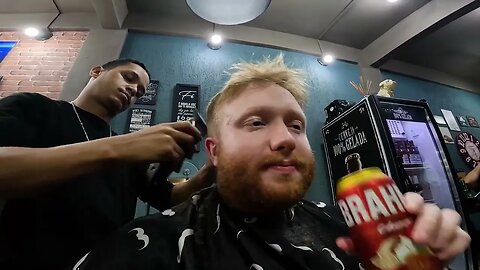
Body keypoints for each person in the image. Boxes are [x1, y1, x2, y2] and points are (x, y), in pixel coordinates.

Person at [73, 55, 471, 270]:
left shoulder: (361, 238)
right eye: (256, 122)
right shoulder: (144, 247)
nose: (285, 139)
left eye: (297, 126)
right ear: (214, 151)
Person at [0, 59, 214, 270]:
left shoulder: (130, 151)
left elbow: (171, 198)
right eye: (128, 78)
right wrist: (120, 148)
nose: (133, 90)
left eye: (139, 93)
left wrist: (210, 171)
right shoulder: (35, 108)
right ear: (96, 71)